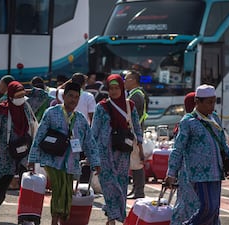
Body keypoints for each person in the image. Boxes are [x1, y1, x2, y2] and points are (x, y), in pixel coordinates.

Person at [27, 82, 101, 225]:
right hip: (52, 161)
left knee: (67, 194)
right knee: (59, 190)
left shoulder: (80, 119)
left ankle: (61, 219)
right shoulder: (51, 113)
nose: (73, 100)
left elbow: (90, 142)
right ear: (64, 96)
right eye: (70, 96)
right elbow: (39, 136)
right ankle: (54, 221)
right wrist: (32, 159)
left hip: (71, 164)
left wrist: (95, 162)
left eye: (76, 97)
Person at [165, 84, 229, 225]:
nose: (212, 106)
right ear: (197, 102)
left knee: (214, 209)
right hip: (199, 173)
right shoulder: (188, 122)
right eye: (209, 102)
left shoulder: (214, 118)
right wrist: (171, 173)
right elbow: (178, 149)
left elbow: (222, 142)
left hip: (216, 171)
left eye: (214, 101)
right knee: (206, 208)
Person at [0, 81, 37, 225]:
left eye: (22, 94)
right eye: (17, 95)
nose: (21, 98)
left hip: (24, 150)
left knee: (26, 185)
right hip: (7, 153)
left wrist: (29, 91)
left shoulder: (26, 106)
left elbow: (41, 98)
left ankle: (25, 217)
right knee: (3, 185)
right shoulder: (2, 110)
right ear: (11, 95)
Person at [91, 74, 143, 225]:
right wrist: (91, 154)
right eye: (111, 88)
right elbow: (94, 131)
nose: (114, 91)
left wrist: (140, 147)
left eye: (116, 88)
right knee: (108, 184)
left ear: (121, 88)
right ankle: (113, 217)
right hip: (104, 152)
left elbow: (137, 127)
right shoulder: (101, 107)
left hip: (123, 152)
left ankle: (112, 216)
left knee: (120, 184)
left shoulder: (130, 106)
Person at [170, 91, 200, 225]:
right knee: (193, 205)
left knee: (185, 204)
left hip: (187, 173)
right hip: (191, 172)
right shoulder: (188, 123)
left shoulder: (184, 123)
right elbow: (178, 150)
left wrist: (172, 172)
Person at [124, 70, 147, 199]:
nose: (124, 81)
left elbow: (133, 117)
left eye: (126, 79)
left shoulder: (135, 96)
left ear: (134, 80)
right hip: (135, 133)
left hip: (134, 133)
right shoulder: (137, 94)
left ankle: (139, 191)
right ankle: (136, 189)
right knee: (134, 162)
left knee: (137, 162)